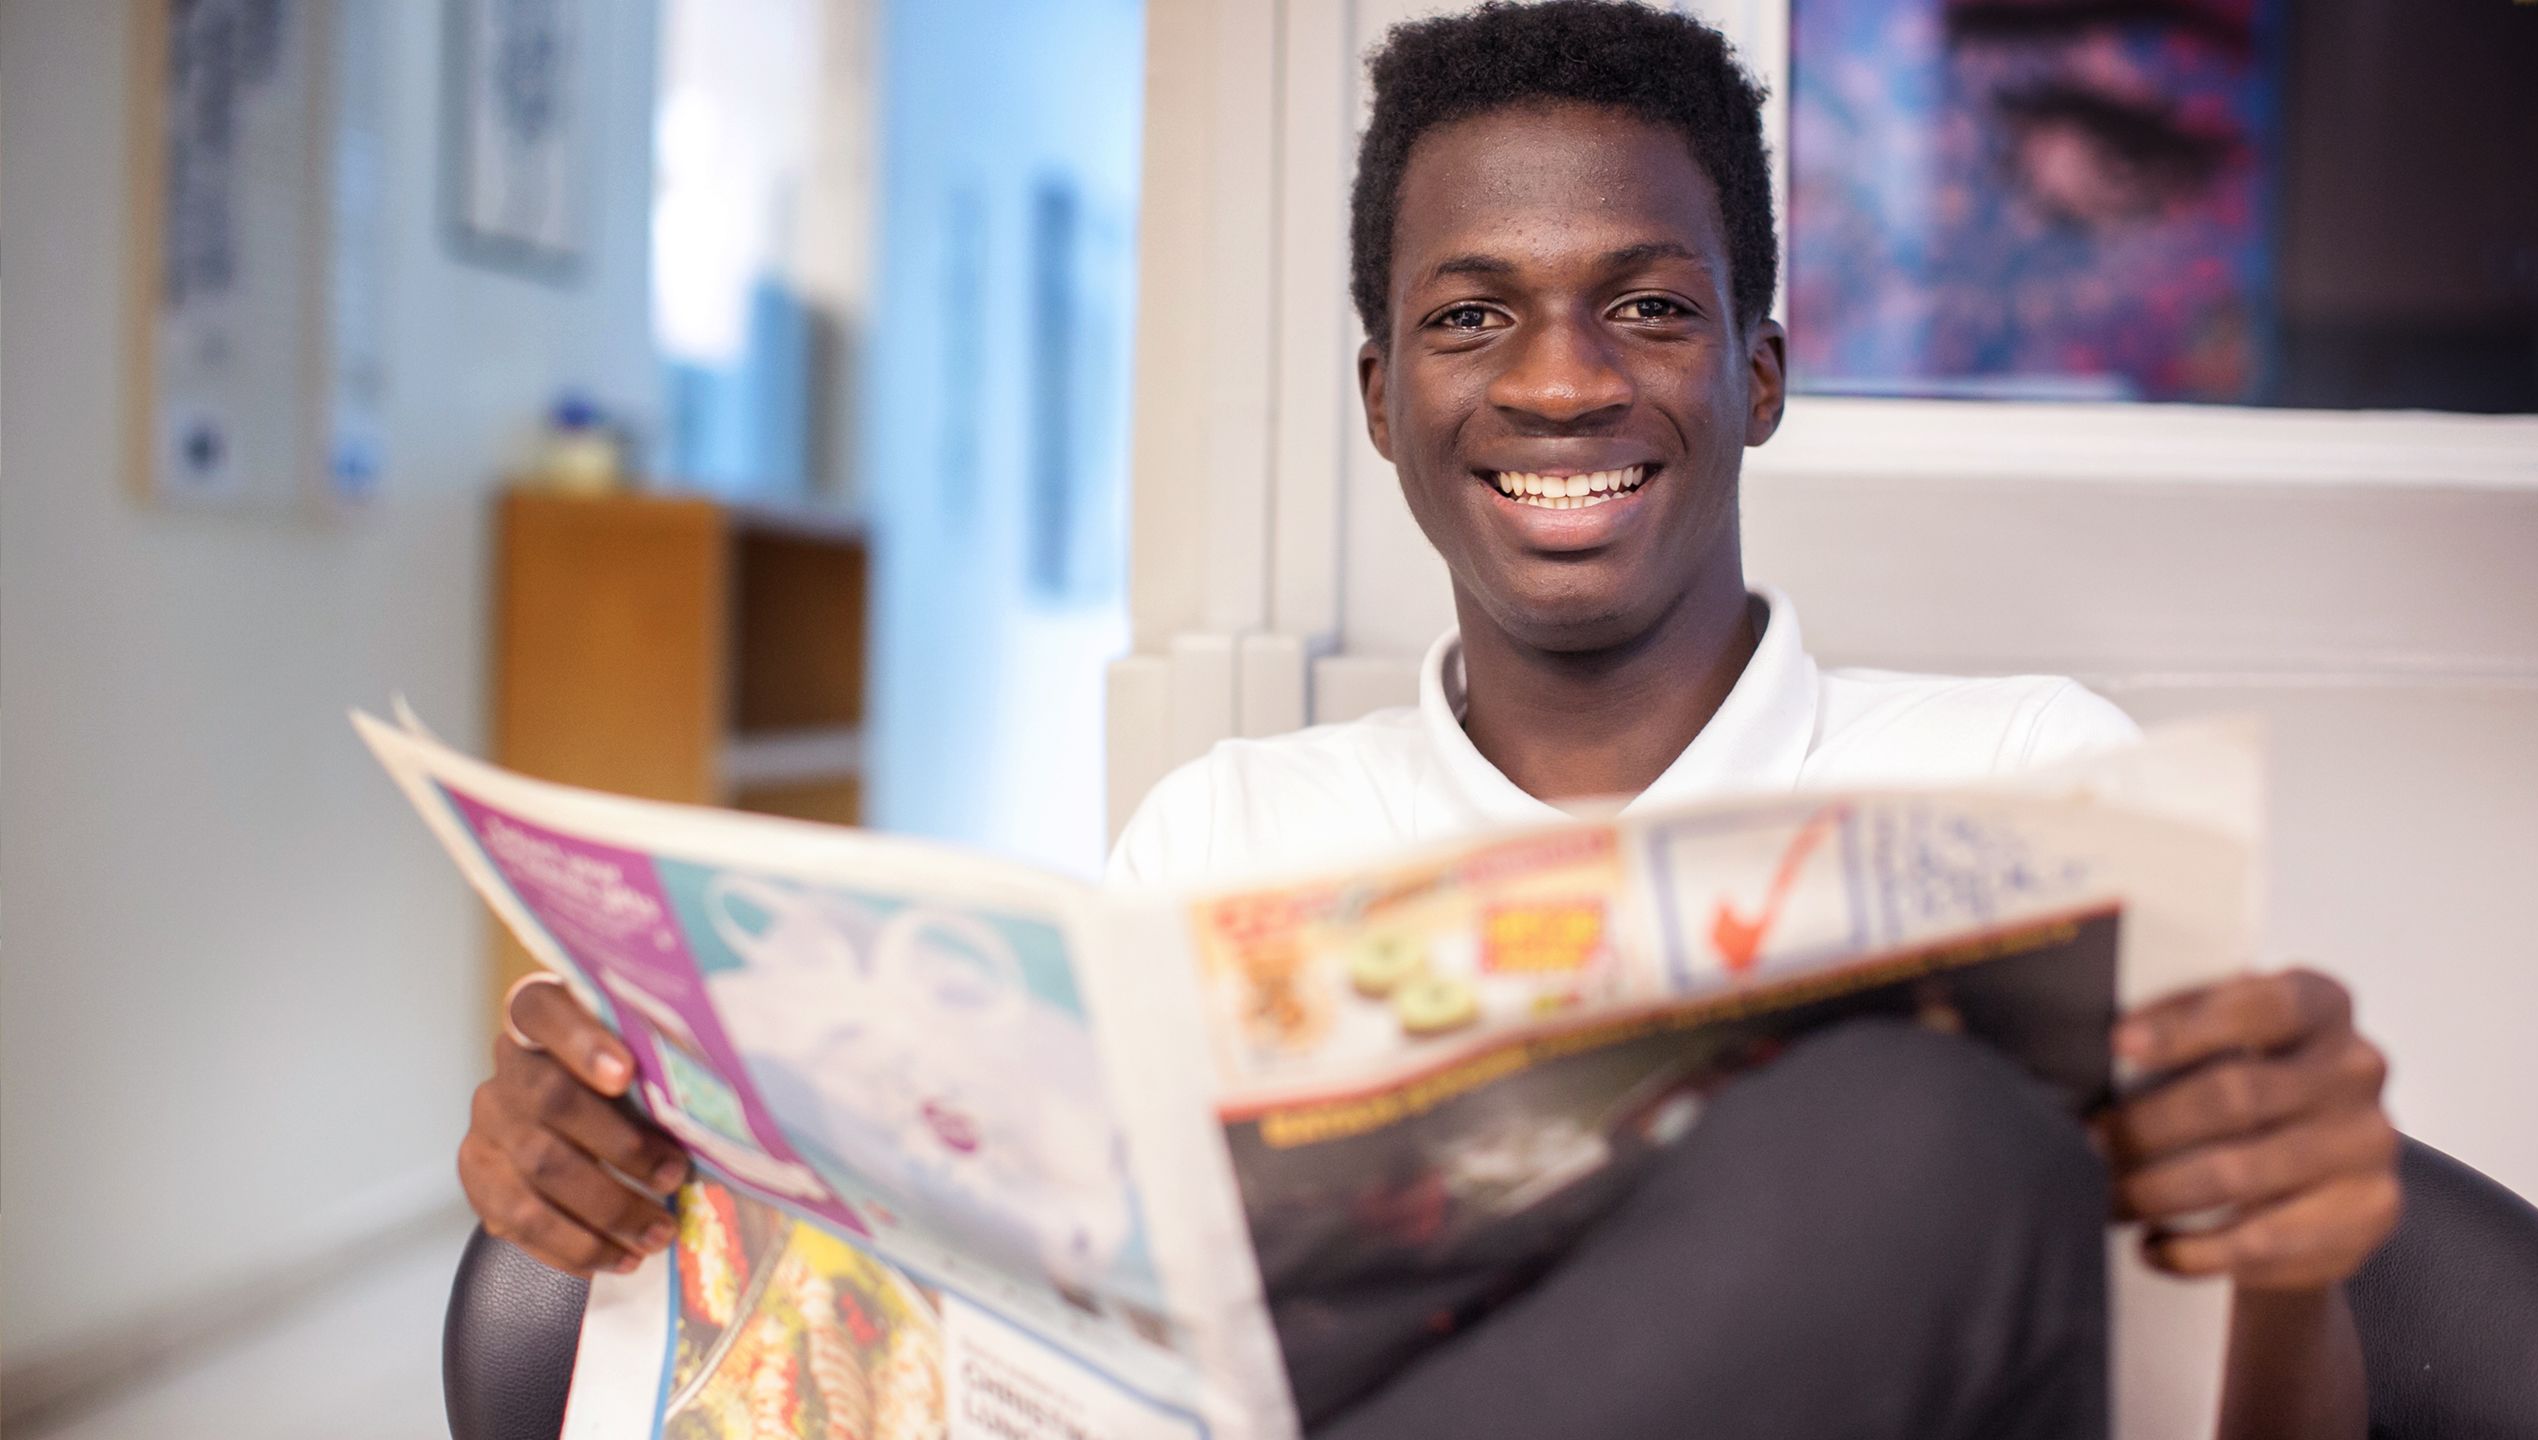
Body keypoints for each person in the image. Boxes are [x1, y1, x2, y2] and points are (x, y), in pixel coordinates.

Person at [462, 4, 2401, 1435]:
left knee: (1907, 1141)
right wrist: (632, 1159)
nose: (1556, 385)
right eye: (1472, 319)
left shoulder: (2018, 790)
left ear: (1758, 375)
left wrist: (2295, 1258)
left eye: (1642, 309)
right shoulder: (1223, 841)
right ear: (1382, 398)